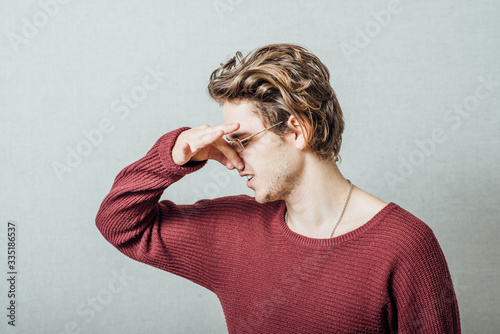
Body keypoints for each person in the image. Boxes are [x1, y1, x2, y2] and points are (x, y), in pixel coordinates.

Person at [96, 43, 461, 333]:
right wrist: (176, 154)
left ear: (297, 130)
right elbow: (119, 223)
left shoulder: (405, 245)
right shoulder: (234, 230)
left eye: (242, 140)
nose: (233, 161)